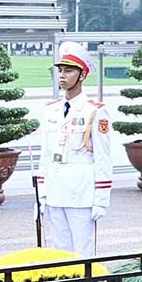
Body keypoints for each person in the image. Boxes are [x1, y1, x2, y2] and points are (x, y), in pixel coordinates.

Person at [33, 42, 113, 255]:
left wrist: (101, 201)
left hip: (81, 194)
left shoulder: (95, 112)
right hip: (55, 191)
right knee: (59, 253)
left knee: (83, 252)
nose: (62, 75)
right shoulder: (51, 110)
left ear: (82, 75)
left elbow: (103, 158)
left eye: (68, 71)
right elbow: (46, 156)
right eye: (60, 70)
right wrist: (41, 195)